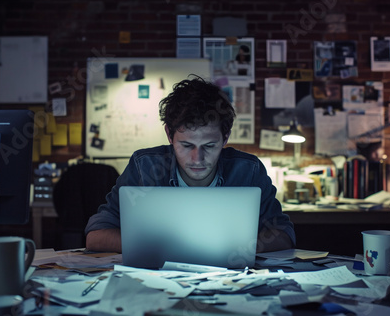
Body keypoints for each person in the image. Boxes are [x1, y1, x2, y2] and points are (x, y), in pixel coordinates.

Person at [85, 76, 295, 253]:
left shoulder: (248, 171)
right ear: (169, 134)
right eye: (186, 145)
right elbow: (95, 236)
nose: (197, 158)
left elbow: (284, 234)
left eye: (210, 145)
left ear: (225, 137)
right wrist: (162, 246)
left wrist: (234, 248)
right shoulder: (145, 168)